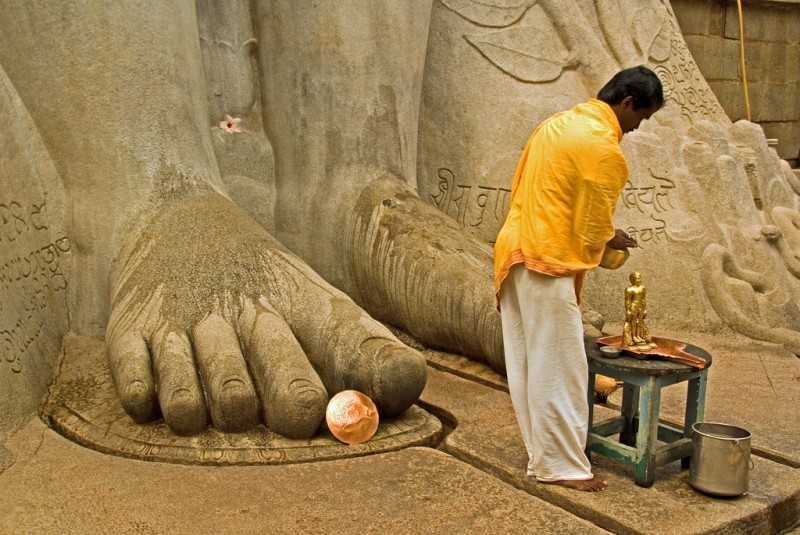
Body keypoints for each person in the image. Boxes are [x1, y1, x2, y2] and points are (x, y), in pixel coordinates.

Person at [493, 65, 663, 492]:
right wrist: (614, 245)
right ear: (626, 103)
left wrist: (602, 235)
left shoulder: (557, 124)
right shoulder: (604, 149)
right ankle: (563, 467)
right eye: (640, 117)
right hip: (547, 263)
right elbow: (592, 229)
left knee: (529, 364)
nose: (637, 128)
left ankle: (544, 457)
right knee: (561, 369)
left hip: (515, 251)